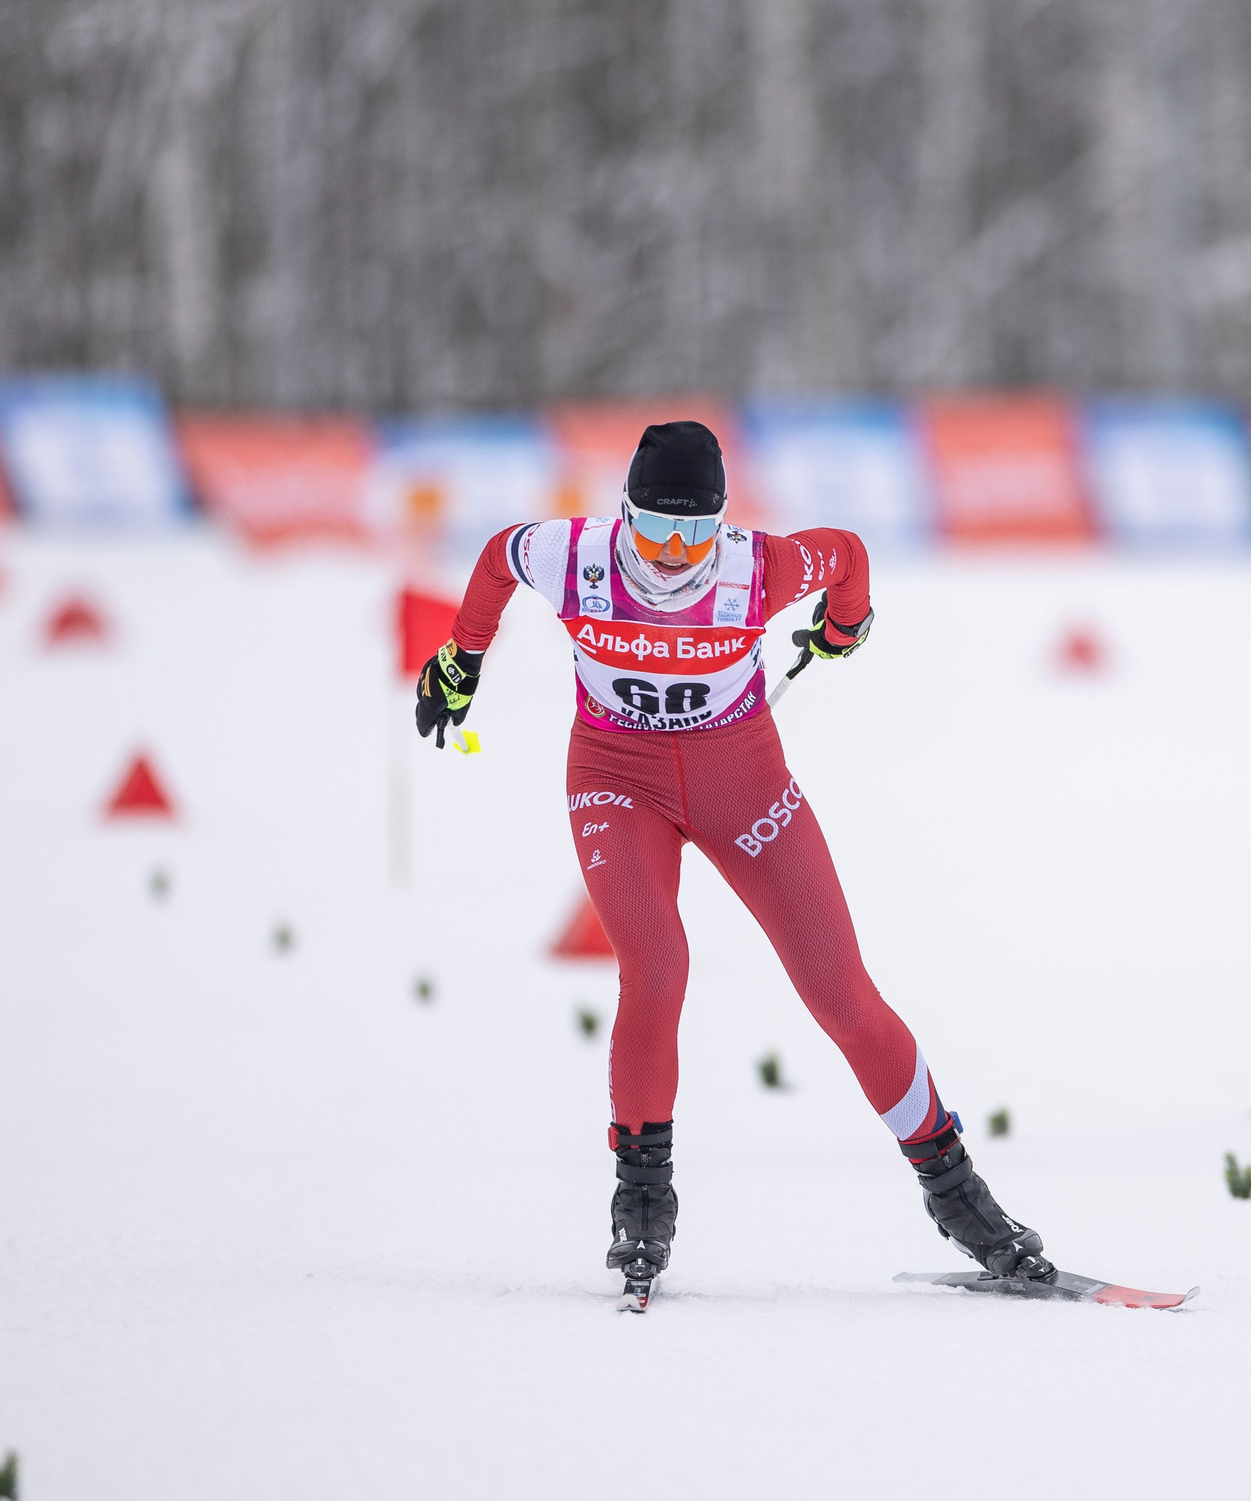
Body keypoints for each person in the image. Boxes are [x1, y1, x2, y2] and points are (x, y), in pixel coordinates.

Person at [410, 420, 1051, 1304]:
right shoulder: (573, 556)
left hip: (741, 785)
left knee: (841, 995)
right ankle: (642, 1200)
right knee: (656, 967)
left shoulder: (759, 567)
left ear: (722, 523)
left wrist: (844, 625)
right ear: (622, 513)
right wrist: (461, 657)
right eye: (654, 529)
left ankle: (959, 1194)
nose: (674, 555)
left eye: (695, 533)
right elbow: (495, 559)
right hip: (617, 781)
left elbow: (848, 554)